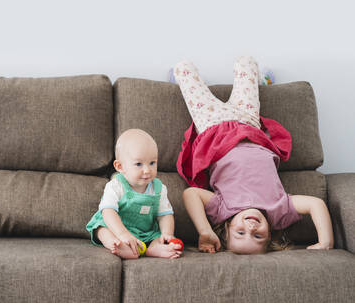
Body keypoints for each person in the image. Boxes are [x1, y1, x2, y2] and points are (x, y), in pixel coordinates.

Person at [174, 56, 334, 254]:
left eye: (240, 233)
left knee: (183, 69)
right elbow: (315, 204)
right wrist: (325, 241)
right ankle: (260, 82)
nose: (250, 229)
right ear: (270, 234)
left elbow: (190, 194)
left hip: (213, 126)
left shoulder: (224, 209)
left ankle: (186, 82)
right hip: (249, 125)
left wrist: (205, 230)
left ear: (227, 228)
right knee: (246, 62)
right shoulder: (279, 209)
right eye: (258, 236)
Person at [86, 129, 183, 259]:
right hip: (117, 228)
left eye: (152, 163)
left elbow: (165, 215)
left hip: (145, 232)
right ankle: (114, 244)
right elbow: (108, 212)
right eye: (138, 164)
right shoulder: (116, 186)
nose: (147, 170)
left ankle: (154, 248)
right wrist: (122, 234)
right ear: (120, 167)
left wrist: (167, 234)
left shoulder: (159, 188)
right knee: (101, 229)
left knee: (158, 236)